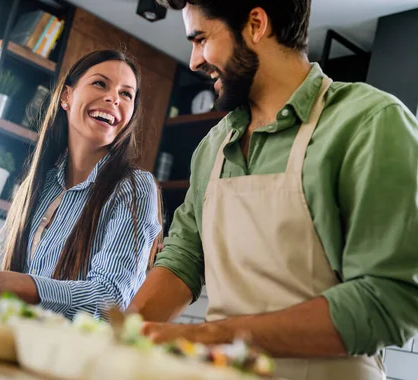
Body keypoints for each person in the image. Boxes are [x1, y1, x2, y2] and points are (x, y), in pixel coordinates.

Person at [128, 1, 418, 379]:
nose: (194, 61)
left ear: (256, 24)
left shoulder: (368, 123)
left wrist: (210, 336)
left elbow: (388, 301)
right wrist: (122, 336)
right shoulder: (213, 147)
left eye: (200, 39)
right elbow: (184, 257)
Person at [0, 50, 163, 320]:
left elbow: (109, 299)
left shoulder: (135, 188)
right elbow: (19, 292)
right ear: (66, 97)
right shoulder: (41, 184)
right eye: (100, 83)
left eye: (126, 94)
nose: (113, 98)